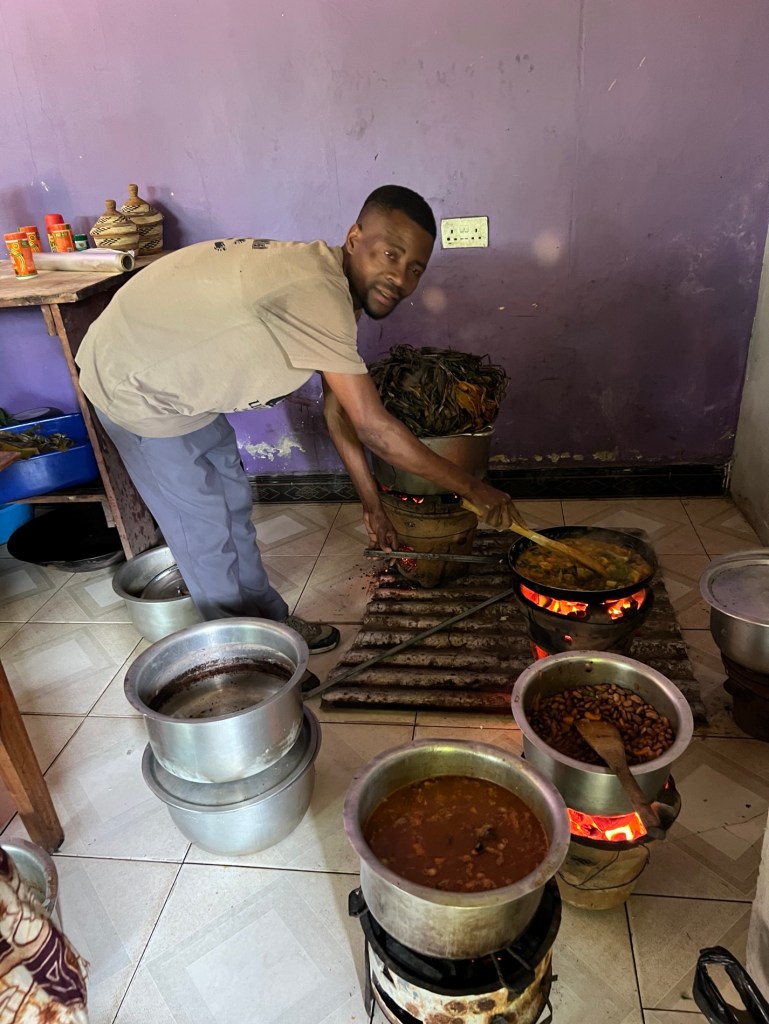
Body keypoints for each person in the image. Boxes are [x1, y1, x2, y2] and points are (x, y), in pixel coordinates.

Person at [75, 185, 522, 689]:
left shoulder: (340, 291)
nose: (400, 278)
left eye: (416, 268)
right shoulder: (318, 292)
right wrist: (476, 488)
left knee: (233, 507)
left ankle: (271, 626)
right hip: (135, 386)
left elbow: (339, 410)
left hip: (183, 385)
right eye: (391, 255)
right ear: (355, 237)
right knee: (204, 535)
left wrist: (372, 504)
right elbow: (375, 428)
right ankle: (252, 664)